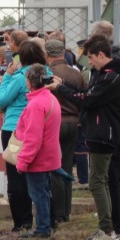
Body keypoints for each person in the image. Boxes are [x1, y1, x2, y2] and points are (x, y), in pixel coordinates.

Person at [50, 35, 120, 240]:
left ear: (101, 54)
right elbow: (87, 94)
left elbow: (87, 99)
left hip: (104, 133)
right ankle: (108, 227)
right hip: (100, 131)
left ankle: (107, 230)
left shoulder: (110, 77)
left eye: (91, 57)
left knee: (97, 182)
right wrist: (64, 85)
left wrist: (60, 89)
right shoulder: (105, 75)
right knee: (102, 181)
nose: (89, 62)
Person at [0, 40, 49, 232]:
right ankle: (47, 217)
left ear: (21, 57)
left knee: (16, 175)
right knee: (40, 173)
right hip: (41, 126)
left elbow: (2, 100)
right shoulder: (47, 74)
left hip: (15, 129)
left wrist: (6, 78)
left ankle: (22, 220)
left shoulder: (19, 78)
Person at [15, 64, 62, 238]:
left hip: (39, 158)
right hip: (50, 154)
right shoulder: (50, 98)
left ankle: (43, 227)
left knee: (38, 194)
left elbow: (33, 139)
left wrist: (23, 161)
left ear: (29, 82)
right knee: (44, 192)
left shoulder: (35, 105)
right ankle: (47, 224)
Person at [45, 39, 85, 228]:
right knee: (67, 166)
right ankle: (66, 210)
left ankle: (58, 211)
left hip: (54, 123)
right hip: (73, 122)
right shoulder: (76, 73)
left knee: (54, 167)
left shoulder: (48, 73)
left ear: (47, 54)